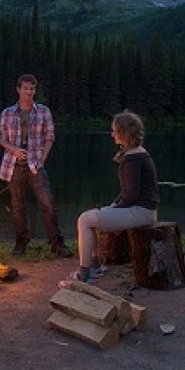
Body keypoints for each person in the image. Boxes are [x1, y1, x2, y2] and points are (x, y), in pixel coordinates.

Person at [68, 111, 159, 282]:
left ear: (123, 133)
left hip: (141, 213)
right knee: (91, 218)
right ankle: (95, 266)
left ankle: (84, 273)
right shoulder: (136, 154)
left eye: (114, 130)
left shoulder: (134, 158)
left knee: (84, 220)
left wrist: (115, 208)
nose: (112, 134)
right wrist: (113, 206)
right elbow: (128, 192)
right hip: (141, 210)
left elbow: (131, 195)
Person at [0, 74, 73, 258]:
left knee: (47, 203)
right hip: (14, 165)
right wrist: (14, 150)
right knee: (17, 206)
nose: (29, 92)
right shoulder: (7, 113)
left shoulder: (43, 112)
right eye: (25, 88)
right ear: (18, 89)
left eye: (32, 89)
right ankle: (21, 243)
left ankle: (56, 243)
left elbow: (49, 138)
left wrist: (43, 159)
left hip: (35, 165)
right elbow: (1, 139)